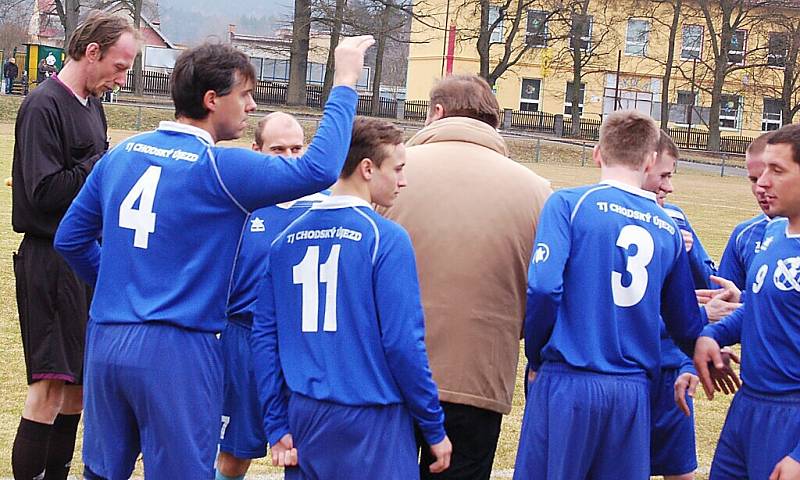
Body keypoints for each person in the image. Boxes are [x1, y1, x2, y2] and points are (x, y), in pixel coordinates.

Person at [54, 36, 372, 479]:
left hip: (107, 341)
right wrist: (345, 79)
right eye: (244, 95)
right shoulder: (220, 167)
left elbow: (70, 238)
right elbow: (319, 169)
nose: (252, 105)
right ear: (211, 100)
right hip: (177, 349)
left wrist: (117, 286)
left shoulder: (122, 153)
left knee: (103, 473)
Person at [251, 116, 452, 479]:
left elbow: (265, 337)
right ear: (367, 169)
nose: (403, 180)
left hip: (306, 415)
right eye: (398, 168)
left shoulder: (284, 240)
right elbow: (403, 343)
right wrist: (434, 427)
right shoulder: (385, 238)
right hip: (371, 417)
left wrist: (277, 422)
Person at [515, 110, 704, 479]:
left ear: (598, 153)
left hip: (569, 378)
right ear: (651, 159)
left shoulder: (569, 204)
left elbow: (543, 286)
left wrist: (536, 354)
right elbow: (685, 322)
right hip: (632, 391)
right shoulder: (668, 225)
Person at [379, 74, 551, 479]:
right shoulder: (536, 189)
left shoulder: (390, 175)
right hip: (480, 373)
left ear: (437, 113)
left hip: (390, 367)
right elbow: (544, 286)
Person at [10, 12, 138, 480]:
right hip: (49, 259)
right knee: (48, 387)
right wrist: (101, 166)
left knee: (79, 389)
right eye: (120, 66)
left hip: (86, 259)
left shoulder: (92, 103)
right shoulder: (43, 105)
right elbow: (42, 192)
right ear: (92, 52)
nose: (122, 77)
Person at [215, 112, 328, 480]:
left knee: (304, 451)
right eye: (278, 150)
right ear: (257, 150)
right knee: (234, 453)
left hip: (303, 345)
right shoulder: (240, 204)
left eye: (297, 148)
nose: (291, 158)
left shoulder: (326, 205)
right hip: (243, 341)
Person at [693, 123, 800, 480]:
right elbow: (758, 311)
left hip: (791, 415)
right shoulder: (772, 236)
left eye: (777, 170)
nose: (762, 182)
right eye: (761, 170)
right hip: (748, 407)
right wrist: (712, 336)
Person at [717, 132, 776, 291]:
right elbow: (723, 300)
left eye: (767, 176)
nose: (759, 188)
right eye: (754, 180)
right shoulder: (744, 235)